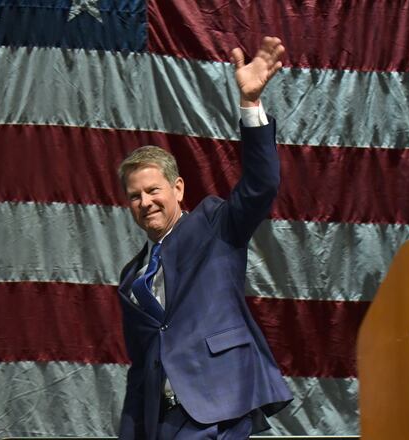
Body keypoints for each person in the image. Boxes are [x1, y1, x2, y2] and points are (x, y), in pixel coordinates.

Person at [116, 36, 292, 440]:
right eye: (135, 196)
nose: (145, 202)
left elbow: (260, 186)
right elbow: (141, 369)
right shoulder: (131, 277)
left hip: (219, 407)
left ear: (178, 189)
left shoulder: (213, 224)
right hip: (163, 423)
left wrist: (250, 105)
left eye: (153, 190)